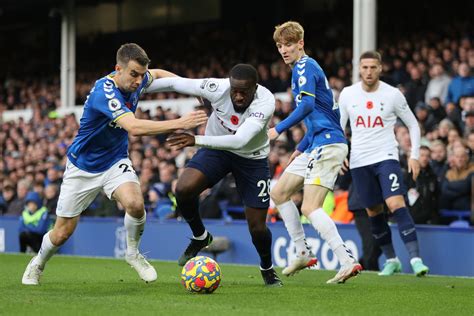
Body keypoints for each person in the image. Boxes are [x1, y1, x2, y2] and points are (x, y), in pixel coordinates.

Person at [21, 43, 207, 285]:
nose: (139, 81)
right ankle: (38, 263)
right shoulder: (104, 91)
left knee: (135, 203)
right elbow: (134, 127)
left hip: (114, 161)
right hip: (82, 167)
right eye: (134, 75)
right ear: (117, 69)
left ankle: (133, 253)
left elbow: (160, 74)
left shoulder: (137, 79)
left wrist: (191, 88)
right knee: (61, 233)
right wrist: (180, 122)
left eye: (142, 75)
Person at [147, 64, 283, 287]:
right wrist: (135, 89)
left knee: (257, 226)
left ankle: (267, 268)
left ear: (255, 88)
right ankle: (200, 236)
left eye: (244, 92)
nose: (238, 96)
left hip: (251, 158)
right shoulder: (216, 87)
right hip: (217, 151)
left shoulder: (265, 102)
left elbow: (240, 140)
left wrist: (195, 140)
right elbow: (174, 82)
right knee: (183, 189)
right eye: (234, 91)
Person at [267, 21, 362, 284]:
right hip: (317, 142)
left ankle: (346, 260)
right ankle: (302, 251)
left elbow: (307, 106)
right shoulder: (301, 69)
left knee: (310, 207)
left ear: (300, 44)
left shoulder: (305, 67)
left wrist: (279, 129)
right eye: (279, 46)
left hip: (329, 144)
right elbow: (319, 117)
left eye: (288, 44)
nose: (283, 50)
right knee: (279, 192)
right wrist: (300, 148)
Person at [338, 50, 429, 277]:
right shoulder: (348, 94)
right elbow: (339, 128)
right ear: (359, 69)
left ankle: (416, 259)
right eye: (365, 67)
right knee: (373, 211)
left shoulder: (393, 95)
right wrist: (339, 154)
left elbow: (413, 125)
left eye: (373, 67)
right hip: (359, 161)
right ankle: (391, 259)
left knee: (396, 203)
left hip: (386, 157)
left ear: (380, 68)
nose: (369, 71)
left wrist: (414, 154)